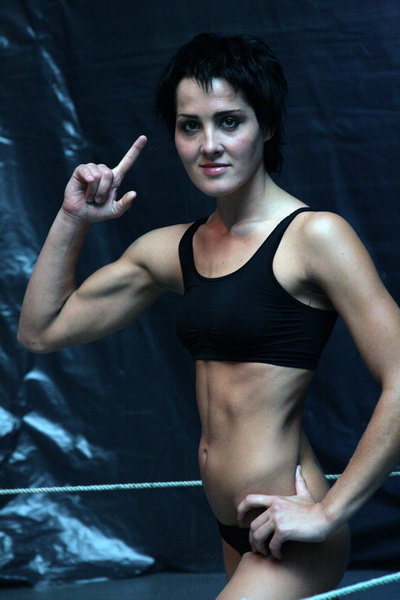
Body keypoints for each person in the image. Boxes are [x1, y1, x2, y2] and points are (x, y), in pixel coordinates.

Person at [18, 33, 400, 600]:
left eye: (229, 122)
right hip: (233, 528)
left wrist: (328, 514)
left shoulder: (315, 237)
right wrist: (73, 219)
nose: (209, 145)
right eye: (189, 126)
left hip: (288, 530)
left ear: (266, 126)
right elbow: (41, 330)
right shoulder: (174, 249)